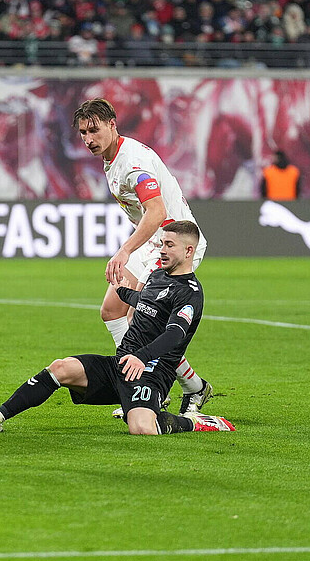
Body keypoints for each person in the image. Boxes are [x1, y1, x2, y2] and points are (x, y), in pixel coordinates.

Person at [0, 221, 233, 436]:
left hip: (150, 374)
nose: (162, 250)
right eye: (162, 243)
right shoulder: (157, 276)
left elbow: (175, 334)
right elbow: (145, 304)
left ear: (188, 252)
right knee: (60, 367)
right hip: (119, 366)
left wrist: (142, 357)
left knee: (142, 428)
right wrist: (122, 291)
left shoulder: (190, 293)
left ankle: (194, 422)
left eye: (170, 245)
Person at [73, 98, 213, 418]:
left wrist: (124, 250)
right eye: (83, 133)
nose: (88, 139)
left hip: (174, 243)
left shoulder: (133, 162)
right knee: (111, 311)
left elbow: (157, 211)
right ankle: (182, 386)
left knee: (145, 321)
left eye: (94, 130)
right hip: (154, 240)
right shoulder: (112, 158)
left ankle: (158, 387)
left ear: (112, 124)